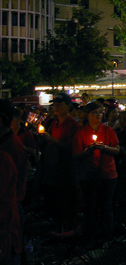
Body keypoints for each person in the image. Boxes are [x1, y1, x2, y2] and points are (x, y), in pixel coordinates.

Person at [72, 102, 120, 241]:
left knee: (106, 206)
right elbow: (75, 155)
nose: (98, 115)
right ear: (87, 115)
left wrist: (104, 148)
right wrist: (88, 151)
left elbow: (117, 150)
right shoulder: (81, 133)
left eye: (100, 112)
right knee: (91, 207)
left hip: (107, 174)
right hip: (89, 175)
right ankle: (91, 236)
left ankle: (106, 236)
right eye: (94, 112)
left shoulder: (108, 130)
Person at [38, 93, 80, 236]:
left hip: (64, 170)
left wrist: (52, 140)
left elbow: (71, 147)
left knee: (65, 202)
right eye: (54, 104)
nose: (55, 107)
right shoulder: (52, 122)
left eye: (59, 104)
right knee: (54, 202)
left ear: (68, 106)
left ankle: (66, 232)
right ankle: (56, 230)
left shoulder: (72, 125)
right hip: (51, 168)